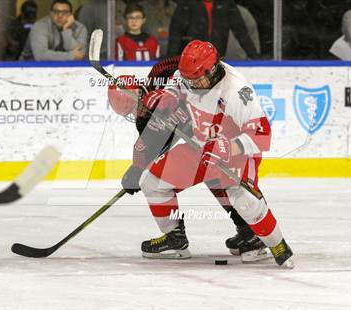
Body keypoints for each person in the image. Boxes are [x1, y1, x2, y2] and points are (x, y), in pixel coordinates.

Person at [136, 40, 293, 267]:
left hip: (236, 152)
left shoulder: (238, 91)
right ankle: (175, 240)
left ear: (213, 69)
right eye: (187, 79)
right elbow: (176, 87)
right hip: (199, 146)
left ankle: (272, 243)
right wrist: (164, 98)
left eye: (197, 79)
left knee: (244, 200)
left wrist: (226, 147)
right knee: (152, 183)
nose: (192, 84)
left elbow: (262, 136)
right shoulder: (188, 75)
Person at [107, 56, 270, 262]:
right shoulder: (144, 118)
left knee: (225, 182)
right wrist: (137, 168)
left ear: (141, 91)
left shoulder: (160, 75)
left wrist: (176, 88)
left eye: (135, 107)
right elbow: (147, 144)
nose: (136, 113)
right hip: (202, 143)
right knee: (155, 180)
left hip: (227, 137)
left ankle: (254, 233)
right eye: (130, 113)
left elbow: (180, 64)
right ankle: (175, 238)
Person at [167, 0, 258, 59]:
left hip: (217, 60)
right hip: (192, 59)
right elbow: (175, 35)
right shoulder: (187, 4)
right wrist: (170, 60)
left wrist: (256, 59)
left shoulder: (226, 4)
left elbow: (241, 33)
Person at [20, 0, 87, 61]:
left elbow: (80, 55)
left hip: (67, 70)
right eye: (56, 12)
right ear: (51, 13)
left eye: (65, 12)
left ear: (71, 15)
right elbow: (41, 56)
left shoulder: (80, 28)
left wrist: (66, 30)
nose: (60, 15)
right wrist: (71, 56)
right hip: (29, 68)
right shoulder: (40, 26)